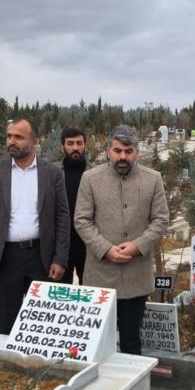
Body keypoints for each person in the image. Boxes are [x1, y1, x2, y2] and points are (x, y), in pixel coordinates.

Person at [74, 124, 169, 355]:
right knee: (96, 344)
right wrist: (106, 249)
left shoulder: (153, 179)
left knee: (131, 342)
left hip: (136, 275)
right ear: (108, 151)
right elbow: (82, 220)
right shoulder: (90, 179)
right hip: (100, 276)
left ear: (137, 151)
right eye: (117, 151)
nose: (122, 157)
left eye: (128, 151)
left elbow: (160, 220)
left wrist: (137, 246)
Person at [0, 117, 70, 335]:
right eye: (9, 136)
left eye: (18, 137)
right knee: (5, 323)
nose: (12, 141)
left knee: (45, 322)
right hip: (5, 259)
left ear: (34, 140)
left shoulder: (52, 174)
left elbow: (62, 218)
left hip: (42, 258)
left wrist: (60, 258)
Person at [60, 127, 88, 285]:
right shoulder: (53, 173)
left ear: (85, 146)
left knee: (90, 290)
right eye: (70, 143)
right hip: (62, 245)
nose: (75, 147)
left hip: (89, 245)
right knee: (61, 292)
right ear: (62, 146)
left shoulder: (96, 173)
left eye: (79, 143)